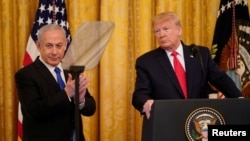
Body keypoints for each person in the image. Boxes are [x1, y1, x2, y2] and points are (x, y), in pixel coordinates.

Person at [132, 12, 243, 119]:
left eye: (166, 29)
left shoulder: (200, 54)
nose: (161, 35)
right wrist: (145, 102)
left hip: (199, 119)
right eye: (157, 31)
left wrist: (240, 99)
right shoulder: (146, 62)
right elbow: (139, 95)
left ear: (179, 30)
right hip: (166, 121)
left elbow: (220, 79)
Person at [15, 24, 96, 141]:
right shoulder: (25, 75)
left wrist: (81, 100)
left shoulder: (72, 71)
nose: (54, 52)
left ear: (66, 45)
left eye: (59, 46)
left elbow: (91, 109)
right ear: (38, 45)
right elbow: (35, 111)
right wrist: (66, 94)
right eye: (49, 46)